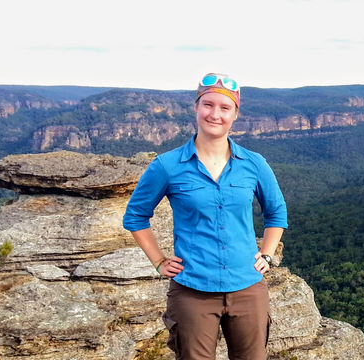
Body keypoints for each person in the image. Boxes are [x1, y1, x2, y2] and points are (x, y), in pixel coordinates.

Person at [123, 73, 287, 360]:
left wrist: (268, 255)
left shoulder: (254, 163)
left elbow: (276, 212)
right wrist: (159, 261)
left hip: (248, 286)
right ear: (196, 108)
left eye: (225, 108)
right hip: (192, 290)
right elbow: (136, 216)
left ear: (235, 114)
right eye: (208, 105)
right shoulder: (167, 165)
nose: (215, 114)